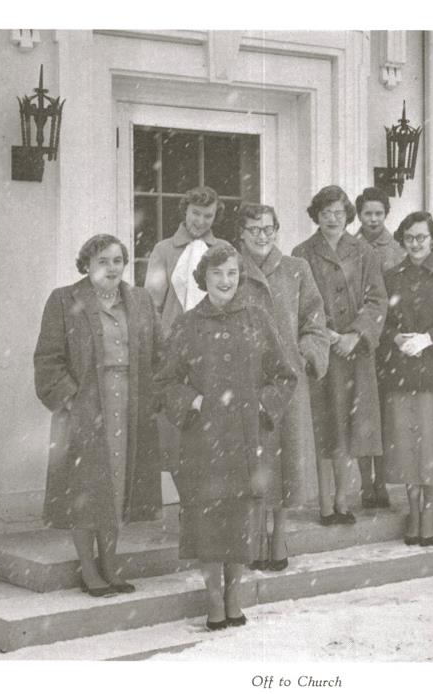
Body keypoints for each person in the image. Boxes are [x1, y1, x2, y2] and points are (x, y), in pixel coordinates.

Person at [157, 244, 297, 630]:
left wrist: (261, 405)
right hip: (202, 443)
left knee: (239, 520)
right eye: (217, 273)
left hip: (245, 439)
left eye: (232, 273)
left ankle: (235, 595)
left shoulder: (257, 319)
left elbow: (284, 375)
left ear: (240, 277)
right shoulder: (187, 325)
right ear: (204, 278)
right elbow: (165, 381)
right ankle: (213, 599)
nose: (225, 281)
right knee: (207, 521)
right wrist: (193, 400)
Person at [34, 234, 163, 597]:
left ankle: (110, 562)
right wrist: (72, 400)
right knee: (85, 487)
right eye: (103, 261)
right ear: (86, 265)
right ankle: (88, 569)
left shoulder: (138, 300)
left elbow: (158, 351)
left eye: (118, 260)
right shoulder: (64, 300)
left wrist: (153, 393)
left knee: (118, 485)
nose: (112, 268)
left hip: (129, 403)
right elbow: (48, 359)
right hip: (86, 405)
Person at [235, 203, 330, 571]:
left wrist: (307, 355)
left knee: (286, 462)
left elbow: (314, 319)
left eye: (268, 228)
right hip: (246, 384)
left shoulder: (296, 269)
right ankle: (253, 537)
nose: (262, 235)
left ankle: (279, 538)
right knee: (253, 462)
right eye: (254, 229)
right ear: (241, 233)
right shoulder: (230, 268)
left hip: (289, 383)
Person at [293, 185, 387, 525]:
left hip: (355, 354)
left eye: (338, 213)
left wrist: (356, 334)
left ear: (348, 215)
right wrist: (325, 335)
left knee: (350, 425)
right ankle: (325, 505)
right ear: (316, 216)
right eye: (325, 213)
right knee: (324, 425)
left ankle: (344, 500)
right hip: (321, 353)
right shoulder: (302, 252)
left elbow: (377, 299)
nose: (332, 219)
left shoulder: (363, 252)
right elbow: (300, 303)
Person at [378, 212, 433, 546]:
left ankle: (428, 515)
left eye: (422, 237)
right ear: (402, 241)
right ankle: (413, 510)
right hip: (401, 376)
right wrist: (397, 339)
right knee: (407, 449)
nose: (415, 244)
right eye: (410, 238)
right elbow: (381, 323)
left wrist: (430, 339)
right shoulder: (391, 278)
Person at [143, 186, 233, 489]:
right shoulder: (164, 249)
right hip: (175, 346)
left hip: (214, 346)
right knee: (179, 419)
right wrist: (163, 343)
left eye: (208, 215)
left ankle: (209, 496)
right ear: (185, 210)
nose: (200, 221)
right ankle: (185, 498)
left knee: (213, 420)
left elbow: (229, 295)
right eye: (196, 213)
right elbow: (152, 303)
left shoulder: (223, 249)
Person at [354, 186, 406, 510]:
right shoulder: (350, 248)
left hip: (389, 342)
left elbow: (400, 297)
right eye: (367, 213)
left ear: (385, 214)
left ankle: (382, 483)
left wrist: (392, 332)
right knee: (362, 416)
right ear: (359, 215)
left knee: (384, 415)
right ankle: (364, 484)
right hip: (360, 341)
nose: (373, 219)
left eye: (378, 213)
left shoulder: (397, 251)